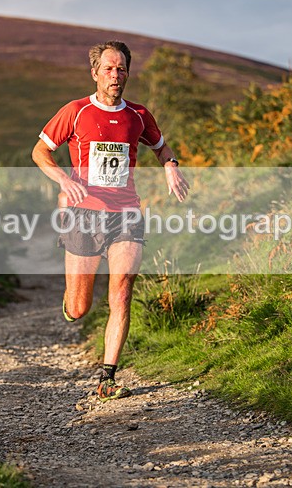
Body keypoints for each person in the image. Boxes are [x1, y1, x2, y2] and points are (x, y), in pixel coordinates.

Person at [31, 40, 189, 401]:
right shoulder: (76, 111)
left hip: (126, 214)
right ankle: (71, 302)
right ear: (95, 73)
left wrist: (170, 167)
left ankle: (108, 377)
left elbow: (162, 147)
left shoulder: (138, 115)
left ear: (128, 73)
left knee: (121, 292)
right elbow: (40, 151)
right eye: (108, 68)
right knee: (79, 306)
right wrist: (64, 181)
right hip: (84, 214)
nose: (115, 75)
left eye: (121, 69)